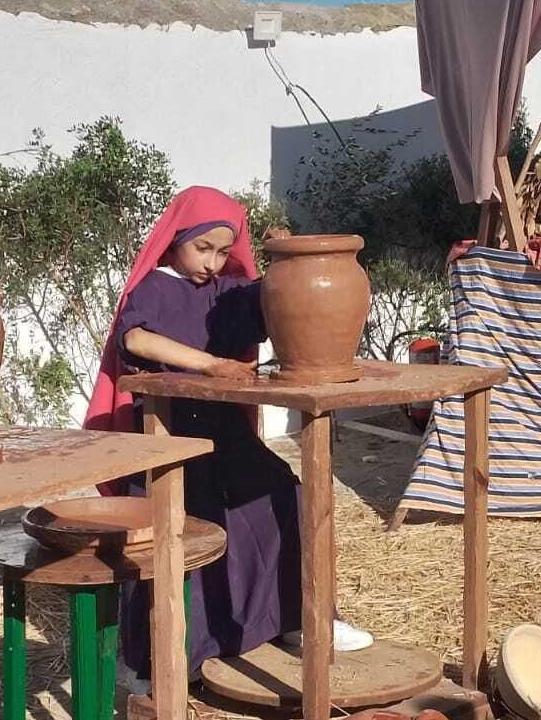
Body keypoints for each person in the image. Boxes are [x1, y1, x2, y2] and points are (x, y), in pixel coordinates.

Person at [85, 187, 373, 688]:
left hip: (221, 433)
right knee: (183, 529)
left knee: (284, 491)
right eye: (203, 249)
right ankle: (160, 658)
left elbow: (273, 300)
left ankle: (298, 619)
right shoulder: (155, 286)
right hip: (167, 438)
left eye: (223, 251)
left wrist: (285, 260)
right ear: (177, 240)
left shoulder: (222, 290)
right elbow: (135, 338)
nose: (213, 262)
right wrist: (212, 364)